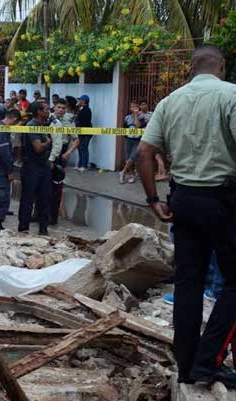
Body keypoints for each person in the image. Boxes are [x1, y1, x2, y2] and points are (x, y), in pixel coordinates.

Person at [136, 45, 236, 387]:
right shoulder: (231, 96)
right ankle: (208, 361)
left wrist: (153, 199)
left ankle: (187, 364)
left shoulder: (170, 101)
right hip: (223, 200)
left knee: (188, 283)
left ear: (191, 68)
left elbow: (144, 152)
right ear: (221, 65)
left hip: (183, 200)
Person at [18, 102, 52, 235]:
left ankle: (43, 229)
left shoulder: (44, 126)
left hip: (43, 166)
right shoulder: (32, 126)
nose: (48, 112)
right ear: (39, 112)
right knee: (28, 198)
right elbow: (38, 148)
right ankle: (23, 227)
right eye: (46, 109)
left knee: (45, 198)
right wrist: (48, 142)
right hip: (32, 166)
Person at [49, 99, 79, 225]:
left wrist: (68, 153)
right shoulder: (48, 119)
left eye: (63, 108)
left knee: (57, 184)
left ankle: (54, 214)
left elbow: (76, 140)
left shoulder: (69, 121)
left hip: (62, 153)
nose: (61, 110)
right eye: (59, 107)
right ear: (54, 108)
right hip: (49, 150)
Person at [0, 108, 19, 231]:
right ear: (15, 119)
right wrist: (10, 171)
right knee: (2, 197)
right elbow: (5, 153)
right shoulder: (3, 131)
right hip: (1, 170)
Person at [120, 100, 144, 184]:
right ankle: (131, 174)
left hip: (137, 140)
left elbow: (138, 126)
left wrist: (136, 115)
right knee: (128, 157)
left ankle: (122, 172)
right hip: (128, 140)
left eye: (136, 106)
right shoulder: (127, 117)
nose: (134, 108)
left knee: (133, 157)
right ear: (130, 108)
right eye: (132, 106)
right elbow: (124, 129)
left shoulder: (141, 117)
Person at [75, 94, 93, 172]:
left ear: (84, 101)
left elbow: (84, 121)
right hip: (80, 132)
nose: (78, 101)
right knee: (79, 148)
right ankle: (80, 164)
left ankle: (84, 165)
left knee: (84, 148)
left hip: (86, 133)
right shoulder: (81, 109)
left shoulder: (87, 110)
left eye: (80, 100)